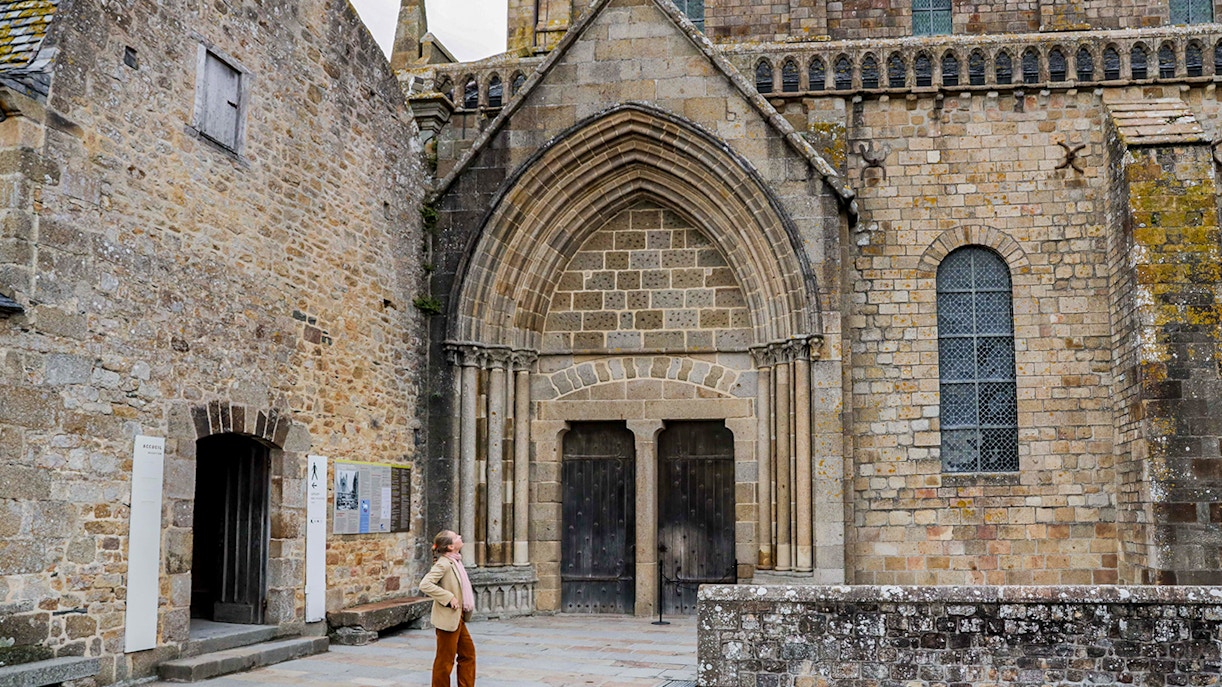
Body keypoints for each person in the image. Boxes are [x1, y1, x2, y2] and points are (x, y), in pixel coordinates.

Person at [419, 530, 476, 687]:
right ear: (450, 546)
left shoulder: (456, 561)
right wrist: (448, 597)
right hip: (448, 618)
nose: (460, 536)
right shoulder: (444, 563)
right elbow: (425, 584)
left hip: (458, 617)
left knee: (468, 655)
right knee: (445, 660)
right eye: (456, 537)